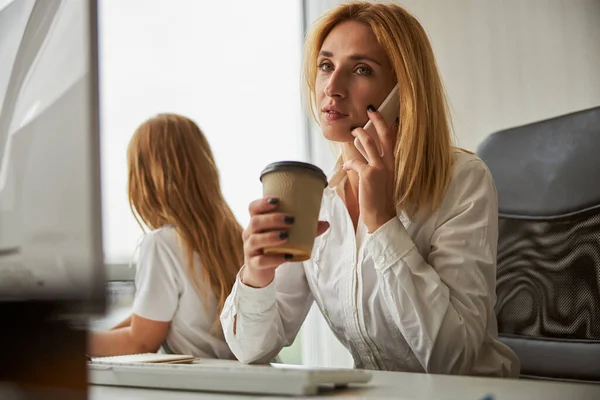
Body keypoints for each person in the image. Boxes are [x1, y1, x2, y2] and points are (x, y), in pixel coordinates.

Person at [220, 2, 520, 377]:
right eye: (326, 65)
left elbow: (452, 359)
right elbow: (251, 349)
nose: (332, 87)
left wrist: (382, 222)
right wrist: (256, 274)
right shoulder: (320, 201)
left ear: (403, 89)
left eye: (361, 69)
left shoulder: (462, 181)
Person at [88, 113, 243, 359]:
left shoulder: (162, 244)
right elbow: (154, 317)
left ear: (144, 180)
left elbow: (141, 341)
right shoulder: (236, 239)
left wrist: (66, 343)